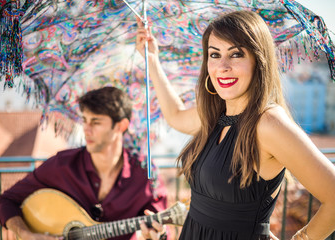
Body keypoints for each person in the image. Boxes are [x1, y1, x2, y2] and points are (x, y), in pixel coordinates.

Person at [136, 10, 335, 240]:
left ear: (258, 60)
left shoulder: (268, 123)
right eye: (214, 54)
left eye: (236, 54)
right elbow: (175, 115)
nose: (222, 66)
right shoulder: (215, 113)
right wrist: (152, 60)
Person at [0, 86, 167, 240]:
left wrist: (156, 237)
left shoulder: (146, 176)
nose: (86, 129)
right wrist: (27, 234)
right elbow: (6, 201)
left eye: (96, 122)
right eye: (84, 120)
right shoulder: (62, 165)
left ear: (121, 126)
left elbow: (160, 231)